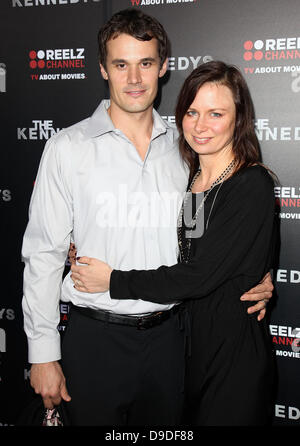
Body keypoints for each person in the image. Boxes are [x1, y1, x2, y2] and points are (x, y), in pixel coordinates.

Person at [22, 8, 273, 426]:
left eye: (146, 64)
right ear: (103, 68)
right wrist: (43, 354)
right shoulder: (68, 148)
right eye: (121, 64)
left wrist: (250, 278)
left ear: (164, 67)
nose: (134, 79)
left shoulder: (189, 150)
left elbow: (201, 246)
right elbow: (43, 255)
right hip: (95, 340)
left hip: (173, 343)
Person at [71, 61, 277, 426]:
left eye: (216, 113)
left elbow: (197, 275)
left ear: (239, 117)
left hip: (232, 356)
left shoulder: (251, 184)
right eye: (192, 112)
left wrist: (114, 280)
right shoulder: (191, 178)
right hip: (187, 351)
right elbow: (181, 247)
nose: (201, 126)